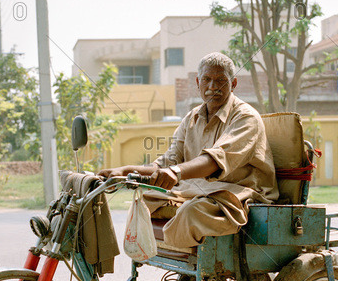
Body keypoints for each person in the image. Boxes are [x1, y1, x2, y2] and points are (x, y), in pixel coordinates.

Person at [98, 52, 277, 248]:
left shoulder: (245, 117)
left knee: (190, 212)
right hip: (198, 192)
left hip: (238, 196)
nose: (213, 87)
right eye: (207, 80)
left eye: (221, 81)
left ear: (233, 84)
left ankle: (191, 266)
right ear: (198, 82)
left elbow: (214, 160)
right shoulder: (192, 117)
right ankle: (169, 256)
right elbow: (168, 162)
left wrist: (176, 172)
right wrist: (124, 170)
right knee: (145, 201)